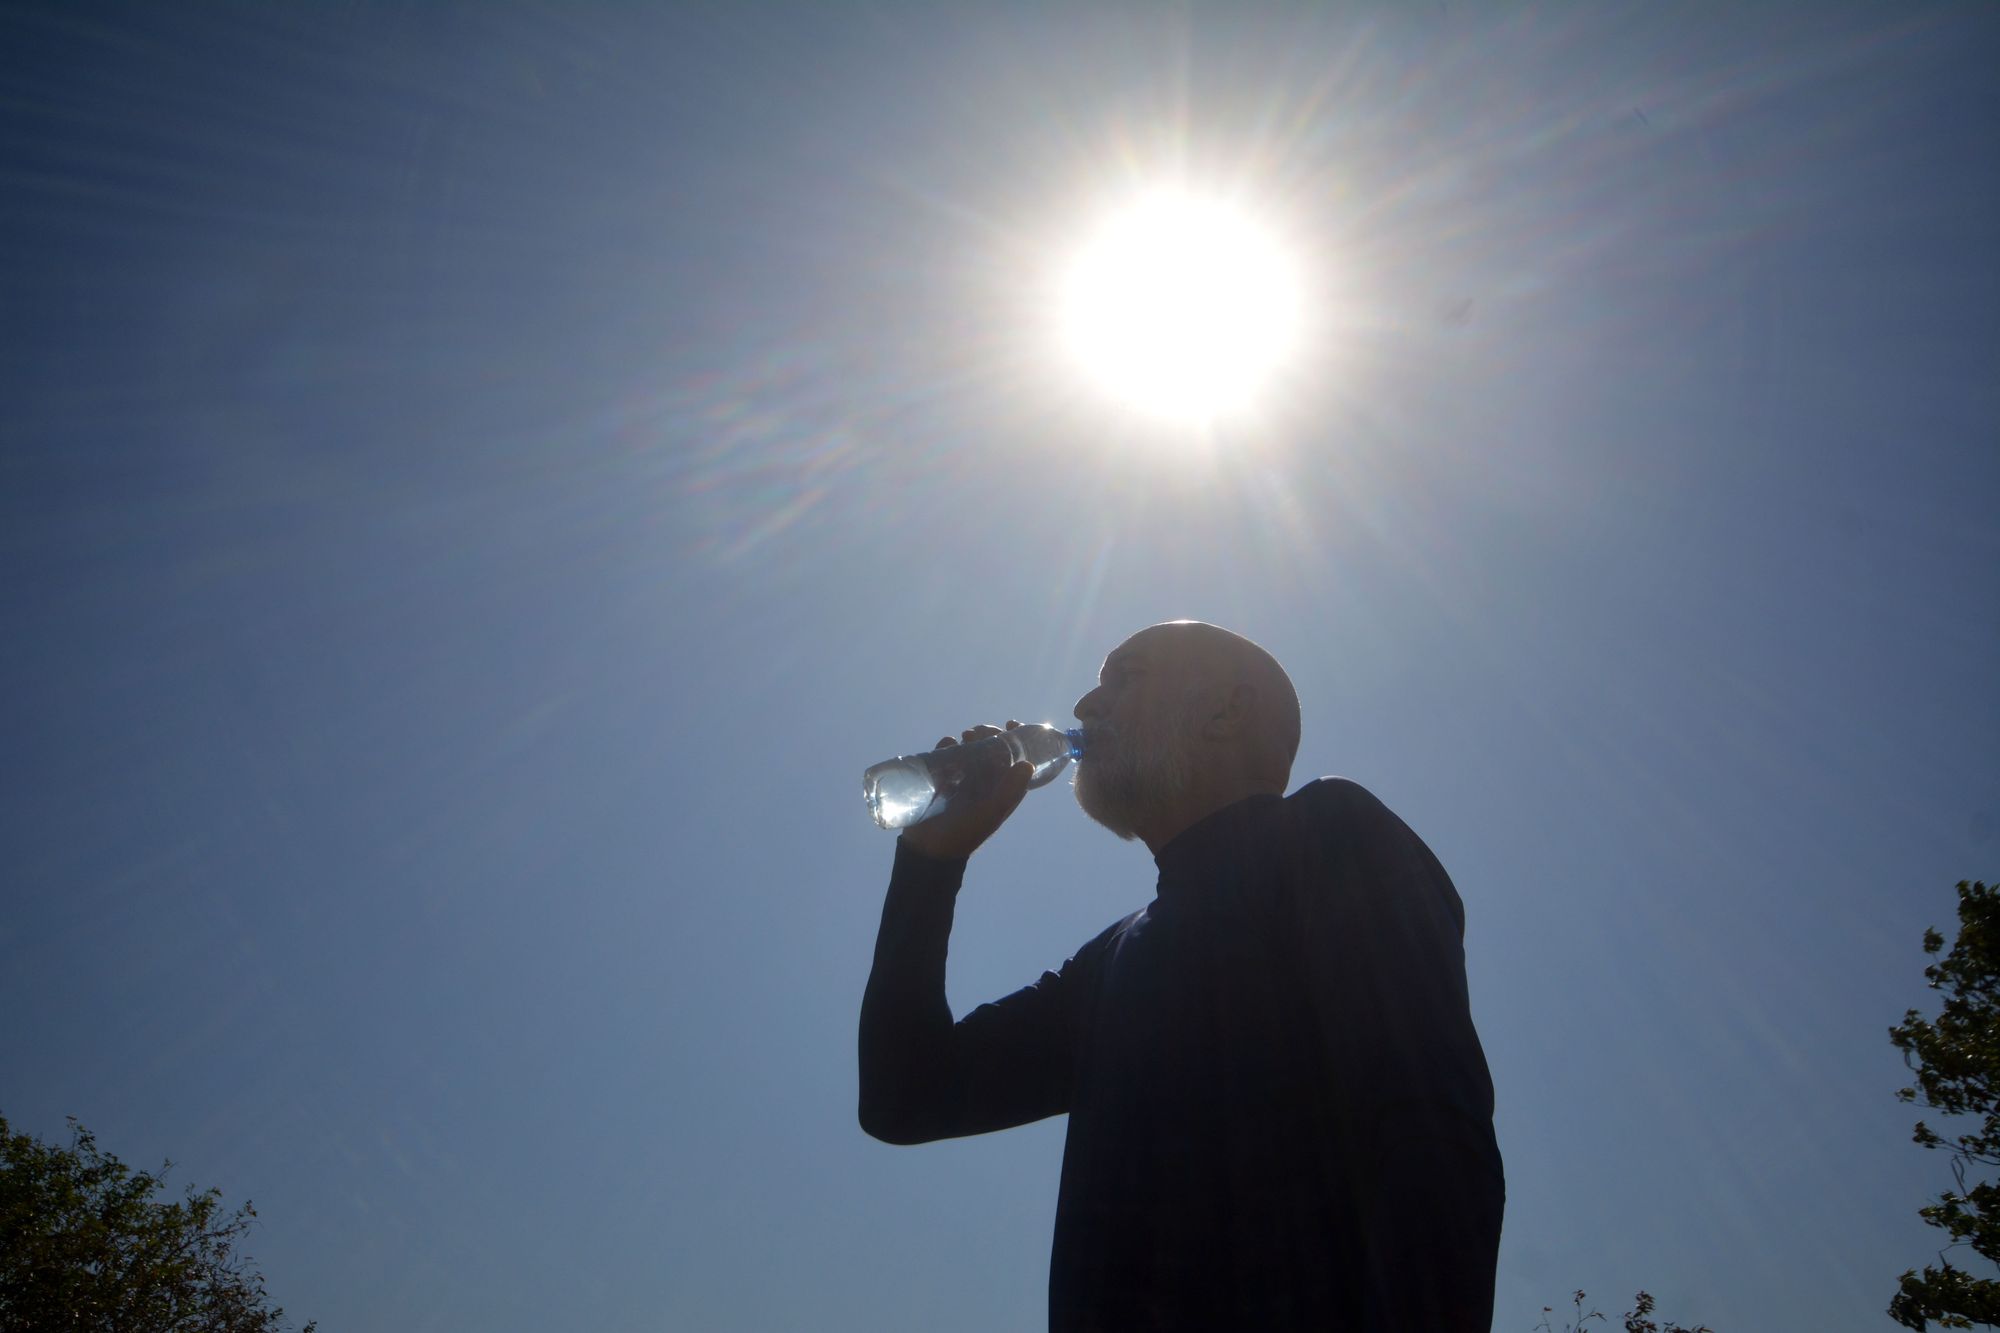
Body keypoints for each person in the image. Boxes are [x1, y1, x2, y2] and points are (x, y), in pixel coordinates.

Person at [859, 621, 1504, 1331]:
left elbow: (1428, 1133)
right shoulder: (1108, 962)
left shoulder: (1329, 831)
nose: (1084, 706)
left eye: (1123, 677)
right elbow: (905, 1095)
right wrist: (929, 865)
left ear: (1225, 711)